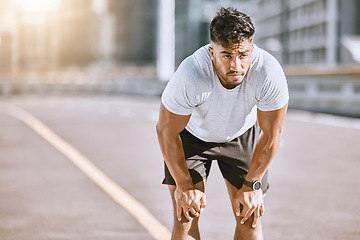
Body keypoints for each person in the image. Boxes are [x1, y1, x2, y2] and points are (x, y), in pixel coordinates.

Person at [156, 6, 289, 240]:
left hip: (241, 134)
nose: (236, 66)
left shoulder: (268, 72)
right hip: (191, 137)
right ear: (212, 52)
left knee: (250, 218)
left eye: (243, 55)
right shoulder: (191, 74)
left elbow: (272, 135)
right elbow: (166, 130)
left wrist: (253, 185)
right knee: (186, 216)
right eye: (227, 55)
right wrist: (184, 186)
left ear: (252, 49)